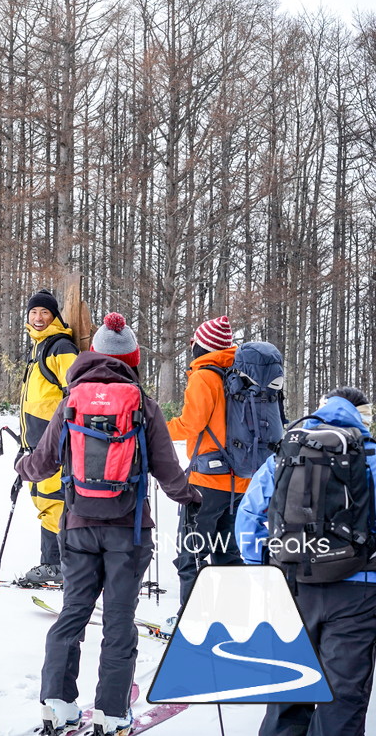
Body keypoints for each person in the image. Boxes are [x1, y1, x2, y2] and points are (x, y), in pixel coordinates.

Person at [16, 313, 201, 736]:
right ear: (131, 359)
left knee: (73, 614)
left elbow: (42, 463)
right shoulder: (142, 405)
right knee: (119, 621)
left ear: (91, 354)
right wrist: (190, 496)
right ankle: (111, 712)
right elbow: (167, 470)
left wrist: (20, 466)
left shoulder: (71, 401)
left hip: (77, 526)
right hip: (128, 531)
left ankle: (57, 705)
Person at [237, 386, 376, 736]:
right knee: (342, 697)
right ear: (365, 415)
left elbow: (250, 515)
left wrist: (262, 568)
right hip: (357, 594)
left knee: (289, 688)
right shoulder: (370, 457)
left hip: (292, 583)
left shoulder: (286, 452)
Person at [167, 315, 243, 607]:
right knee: (229, 554)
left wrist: (159, 428)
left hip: (206, 483)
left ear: (202, 345)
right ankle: (234, 618)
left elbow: (191, 424)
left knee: (192, 552)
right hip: (241, 481)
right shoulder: (240, 374)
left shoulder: (204, 376)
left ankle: (193, 623)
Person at [19, 288, 80, 585]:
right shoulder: (38, 347)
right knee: (44, 501)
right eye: (34, 312)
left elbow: (77, 391)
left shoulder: (60, 347)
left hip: (54, 444)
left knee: (53, 501)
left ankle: (57, 565)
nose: (38, 317)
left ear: (54, 315)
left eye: (44, 312)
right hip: (36, 444)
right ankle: (54, 564)